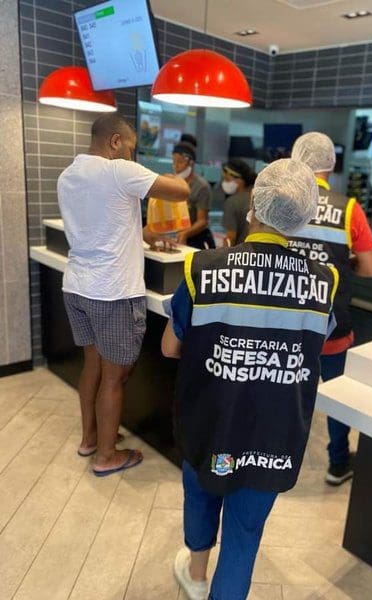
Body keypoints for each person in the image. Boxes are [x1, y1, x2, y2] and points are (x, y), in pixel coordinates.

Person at [162, 159, 338, 600]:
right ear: (302, 217)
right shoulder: (324, 282)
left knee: (200, 495)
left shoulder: (203, 268)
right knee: (244, 536)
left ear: (253, 206)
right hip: (273, 436)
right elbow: (313, 347)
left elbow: (169, 347)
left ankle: (196, 575)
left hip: (209, 425)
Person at [57, 113, 189, 477]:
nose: (132, 155)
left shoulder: (69, 175)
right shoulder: (119, 170)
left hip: (77, 286)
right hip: (112, 292)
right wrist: (172, 172)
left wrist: (143, 234)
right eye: (130, 148)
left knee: (93, 367)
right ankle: (106, 456)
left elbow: (102, 220)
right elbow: (181, 192)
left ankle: (89, 440)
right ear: (115, 141)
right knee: (114, 377)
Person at [291, 131, 372, 486]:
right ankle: (338, 463)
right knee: (337, 395)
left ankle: (276, 456)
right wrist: (344, 262)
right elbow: (371, 268)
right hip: (331, 323)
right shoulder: (348, 209)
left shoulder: (282, 201)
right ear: (331, 163)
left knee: (285, 390)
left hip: (286, 321)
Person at [171, 141, 215, 249]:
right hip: (177, 234)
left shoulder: (201, 187)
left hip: (196, 238)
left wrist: (185, 234)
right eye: (174, 161)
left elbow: (202, 221)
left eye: (180, 162)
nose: (176, 166)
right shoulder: (173, 183)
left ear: (190, 163)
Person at [221, 159, 257, 246]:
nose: (224, 182)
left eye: (227, 179)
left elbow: (230, 238)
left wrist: (223, 253)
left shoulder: (232, 202)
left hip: (240, 251)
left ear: (240, 180)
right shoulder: (257, 198)